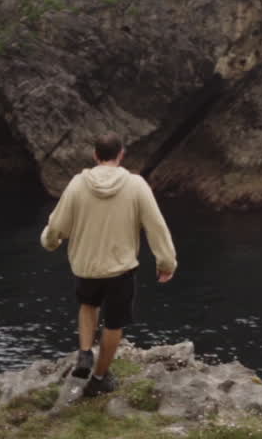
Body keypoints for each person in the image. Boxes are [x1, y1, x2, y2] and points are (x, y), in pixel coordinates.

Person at [40, 132, 177, 398]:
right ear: (121, 154)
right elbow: (156, 226)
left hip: (86, 266)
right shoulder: (136, 185)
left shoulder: (78, 184)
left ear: (95, 155)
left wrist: (50, 242)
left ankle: (83, 354)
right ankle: (100, 378)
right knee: (114, 324)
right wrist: (165, 262)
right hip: (120, 270)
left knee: (87, 305)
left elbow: (58, 225)